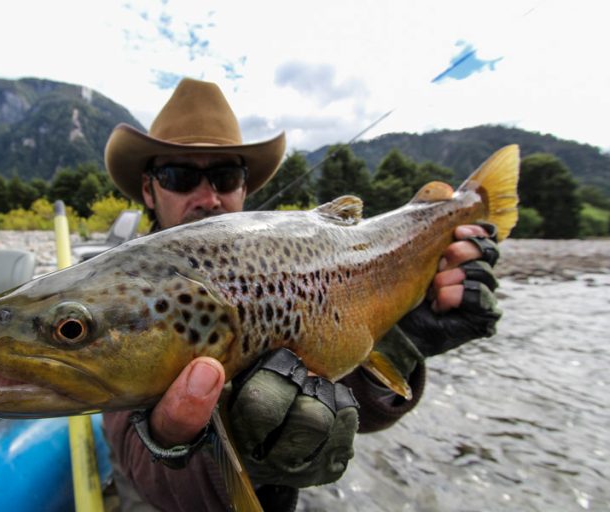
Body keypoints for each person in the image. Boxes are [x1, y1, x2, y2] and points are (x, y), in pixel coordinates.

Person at [102, 78, 502, 511]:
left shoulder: (286, 265)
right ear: (148, 188)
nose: (209, 197)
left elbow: (343, 394)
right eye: (179, 176)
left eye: (225, 176)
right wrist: (217, 458)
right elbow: (133, 451)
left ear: (244, 186)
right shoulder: (115, 296)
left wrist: (407, 338)